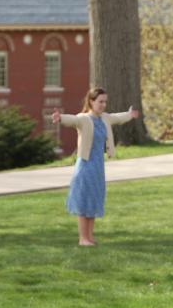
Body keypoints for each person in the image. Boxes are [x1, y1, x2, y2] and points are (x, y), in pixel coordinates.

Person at [52, 88, 139, 246]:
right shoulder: (84, 119)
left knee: (93, 200)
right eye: (100, 102)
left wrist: (129, 115)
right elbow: (72, 120)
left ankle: (90, 237)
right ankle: (82, 239)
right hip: (85, 166)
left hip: (98, 167)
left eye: (105, 102)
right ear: (91, 102)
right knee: (83, 201)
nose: (103, 105)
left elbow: (117, 118)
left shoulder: (104, 119)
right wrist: (59, 118)